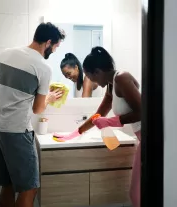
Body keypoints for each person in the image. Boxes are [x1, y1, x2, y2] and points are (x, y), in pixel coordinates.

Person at [0, 22, 65, 207]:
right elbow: (37, 109)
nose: (55, 51)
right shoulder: (43, 67)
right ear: (49, 42)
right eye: (56, 46)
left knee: (8, 185)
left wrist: (10, 96)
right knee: (29, 188)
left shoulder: (6, 53)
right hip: (17, 132)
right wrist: (48, 98)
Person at [54, 46, 141, 207]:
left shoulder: (122, 78)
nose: (92, 82)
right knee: (137, 195)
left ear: (98, 71)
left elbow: (143, 111)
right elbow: (98, 115)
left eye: (90, 76)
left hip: (154, 139)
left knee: (136, 196)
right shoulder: (110, 86)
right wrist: (74, 133)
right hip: (142, 139)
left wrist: (111, 122)